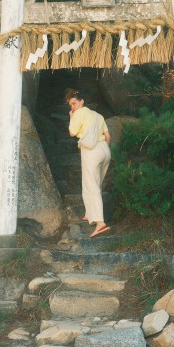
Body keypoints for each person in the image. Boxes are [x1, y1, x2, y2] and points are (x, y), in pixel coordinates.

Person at [65, 88, 111, 238]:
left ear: (81, 101)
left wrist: (71, 116)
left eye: (74, 103)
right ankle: (89, 213)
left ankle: (100, 222)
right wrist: (104, 149)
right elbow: (108, 136)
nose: (72, 107)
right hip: (105, 150)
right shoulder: (98, 115)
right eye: (70, 105)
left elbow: (72, 132)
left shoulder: (79, 113)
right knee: (93, 183)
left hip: (91, 151)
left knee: (92, 186)